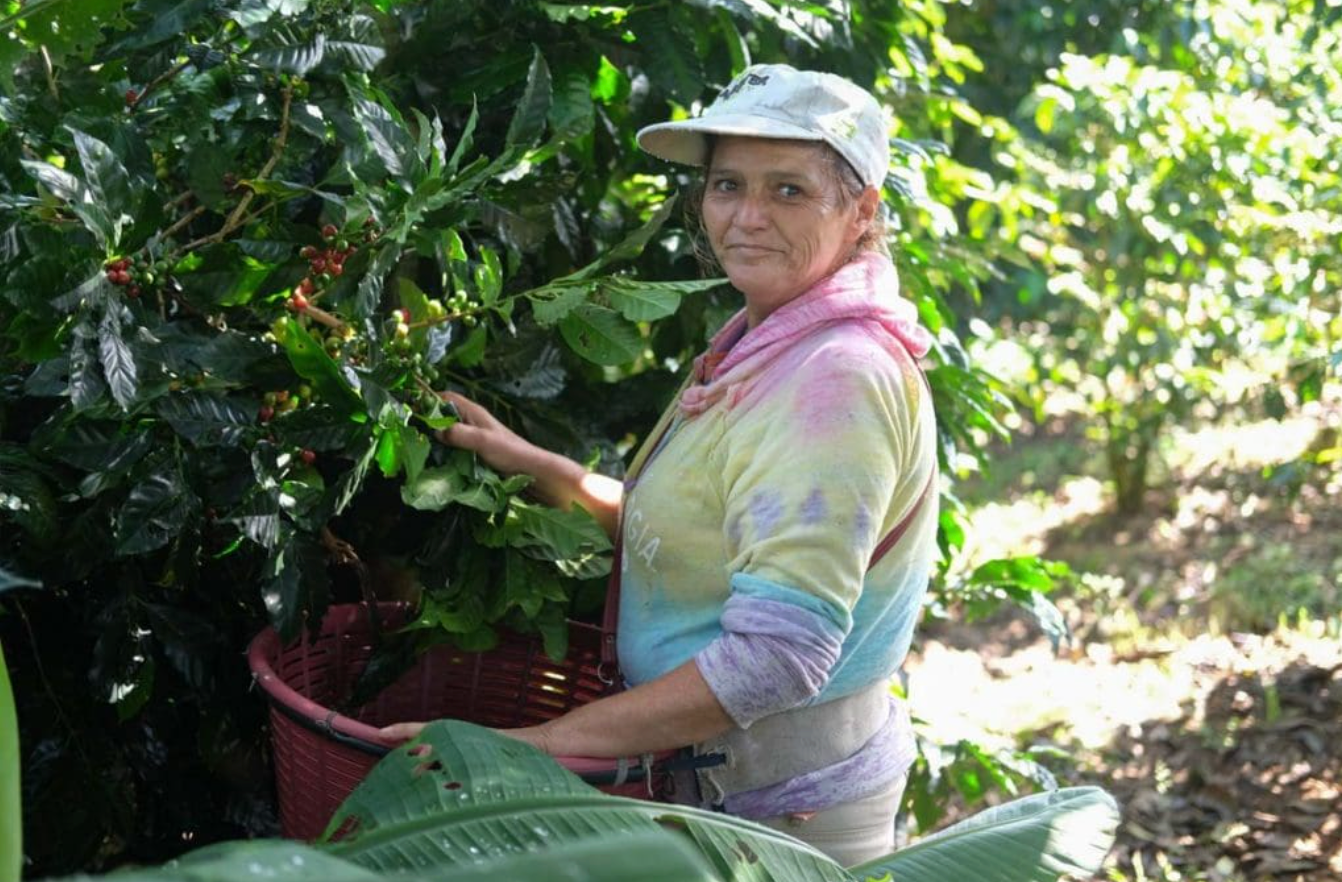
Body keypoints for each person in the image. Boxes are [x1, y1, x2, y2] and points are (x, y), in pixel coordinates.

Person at [380, 64, 939, 866]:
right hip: (720, 794)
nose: (746, 218)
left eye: (788, 191)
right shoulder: (769, 340)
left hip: (775, 818)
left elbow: (777, 658)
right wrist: (533, 463)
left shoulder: (834, 378)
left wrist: (540, 745)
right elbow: (711, 539)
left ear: (862, 213)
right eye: (726, 185)